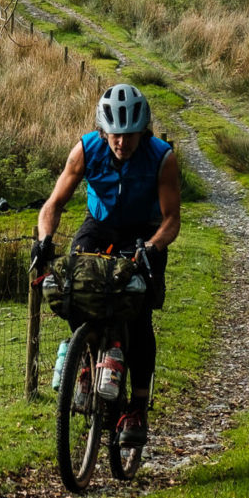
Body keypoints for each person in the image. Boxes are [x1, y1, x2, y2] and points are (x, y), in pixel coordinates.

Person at [29, 81, 182, 448]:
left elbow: (172, 219)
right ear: (104, 129)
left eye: (129, 136)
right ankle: (85, 360)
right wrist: (44, 241)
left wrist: (152, 246)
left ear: (142, 131)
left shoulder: (162, 157)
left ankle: (138, 408)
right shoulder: (86, 150)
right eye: (115, 135)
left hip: (144, 233)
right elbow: (53, 204)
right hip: (98, 228)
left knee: (140, 315)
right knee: (70, 289)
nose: (121, 143)